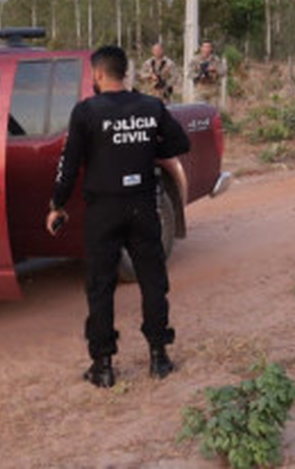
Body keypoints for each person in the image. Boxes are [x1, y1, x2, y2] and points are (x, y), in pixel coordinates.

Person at [47, 45, 191, 387]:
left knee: (101, 286)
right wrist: (144, 148)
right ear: (124, 73)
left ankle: (104, 365)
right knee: (153, 280)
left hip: (104, 210)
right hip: (144, 205)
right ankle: (159, 357)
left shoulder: (86, 112)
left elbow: (69, 166)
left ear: (97, 74)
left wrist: (57, 205)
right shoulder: (151, 106)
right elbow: (179, 142)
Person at [188, 40, 227, 105]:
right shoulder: (195, 60)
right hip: (200, 89)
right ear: (201, 48)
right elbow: (190, 73)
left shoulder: (215, 60)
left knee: (212, 111)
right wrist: (199, 75)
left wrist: (214, 70)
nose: (206, 49)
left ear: (211, 49)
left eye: (208, 47)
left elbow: (223, 72)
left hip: (213, 89)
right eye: (204, 47)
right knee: (199, 110)